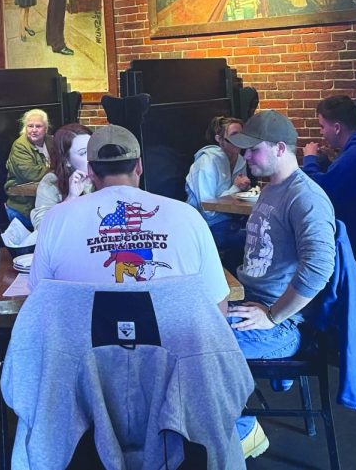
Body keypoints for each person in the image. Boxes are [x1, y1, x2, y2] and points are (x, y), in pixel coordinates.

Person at [226, 111, 336, 459]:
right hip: (253, 303)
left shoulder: (306, 197)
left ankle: (244, 431)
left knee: (201, 351)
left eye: (252, 150)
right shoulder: (274, 188)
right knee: (184, 329)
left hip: (283, 326)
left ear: (278, 148)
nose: (245, 157)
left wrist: (273, 316)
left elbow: (319, 268)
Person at [29, 125, 230, 312]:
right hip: (176, 345)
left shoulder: (56, 219)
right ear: (139, 166)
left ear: (91, 170)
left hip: (87, 348)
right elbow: (217, 301)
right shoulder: (188, 216)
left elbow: (40, 300)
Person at [302, 95, 356, 266]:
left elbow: (321, 192)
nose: (321, 132)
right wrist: (325, 163)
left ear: (336, 127)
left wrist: (310, 159)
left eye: (322, 126)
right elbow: (343, 183)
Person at [185, 116, 252, 251]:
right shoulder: (206, 163)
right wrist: (236, 187)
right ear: (219, 139)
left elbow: (241, 196)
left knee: (266, 232)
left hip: (233, 219)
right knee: (252, 241)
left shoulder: (240, 160)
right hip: (206, 225)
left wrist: (245, 189)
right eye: (234, 135)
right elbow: (207, 209)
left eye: (241, 135)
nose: (239, 140)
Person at [30, 123, 92, 230]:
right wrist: (71, 198)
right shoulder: (51, 182)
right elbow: (42, 227)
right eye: (84, 153)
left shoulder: (108, 174)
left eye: (93, 149)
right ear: (67, 160)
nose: (91, 156)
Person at [4, 108, 52, 230]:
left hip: (43, 207)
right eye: (30, 126)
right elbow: (31, 174)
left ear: (45, 129)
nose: (34, 130)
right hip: (23, 208)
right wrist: (55, 169)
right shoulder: (20, 145)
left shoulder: (51, 141)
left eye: (38, 126)